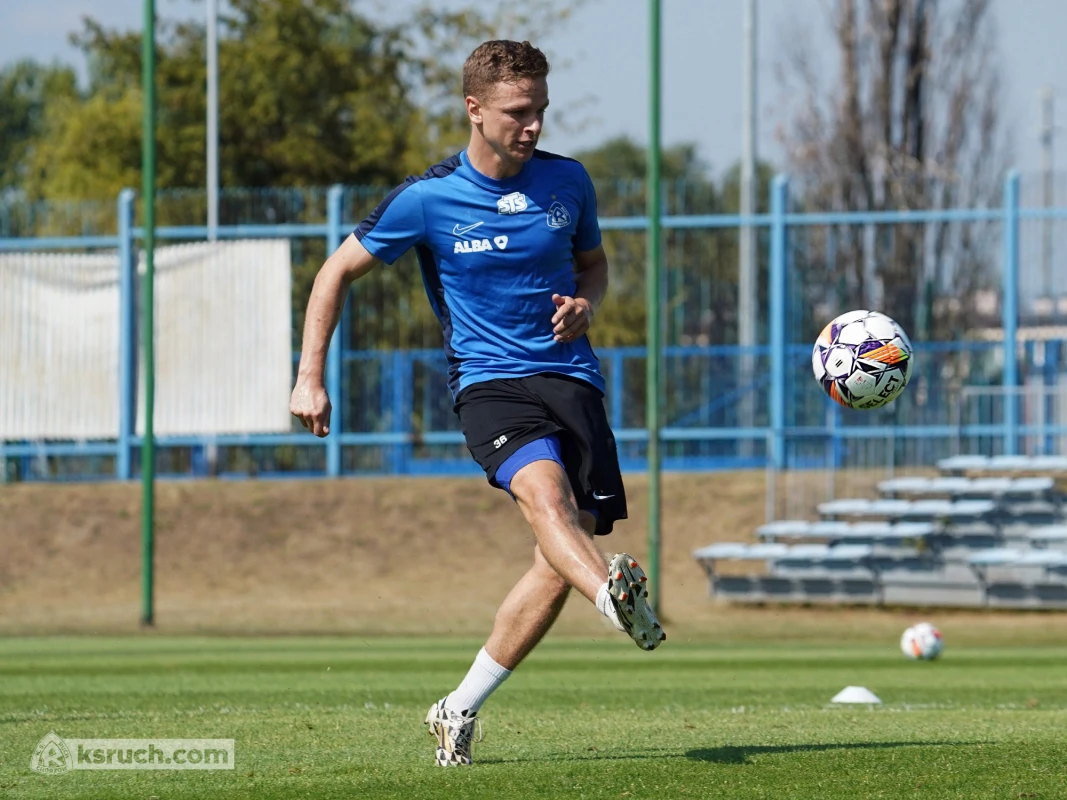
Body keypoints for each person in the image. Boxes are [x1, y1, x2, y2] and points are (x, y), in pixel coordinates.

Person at [289, 39, 664, 767]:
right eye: (517, 113)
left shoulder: (569, 183)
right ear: (474, 110)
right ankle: (612, 601)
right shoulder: (427, 199)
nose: (532, 126)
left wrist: (586, 302)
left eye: (540, 111)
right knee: (548, 505)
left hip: (572, 380)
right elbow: (335, 271)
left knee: (557, 555)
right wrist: (309, 375)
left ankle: (456, 707)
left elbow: (594, 263)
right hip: (489, 385)